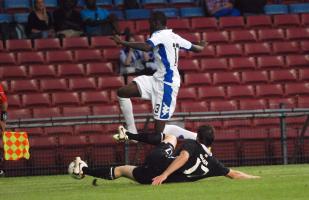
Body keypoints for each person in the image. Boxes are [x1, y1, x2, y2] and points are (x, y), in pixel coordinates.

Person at [111, 11, 205, 139]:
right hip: (156, 79)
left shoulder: (159, 35)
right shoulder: (174, 36)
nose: (149, 27)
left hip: (167, 85)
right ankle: (131, 132)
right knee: (123, 92)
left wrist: (122, 42)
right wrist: (202, 46)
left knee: (158, 135)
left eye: (150, 23)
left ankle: (198, 138)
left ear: (155, 23)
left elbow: (146, 47)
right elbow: (197, 49)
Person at [71, 125, 260, 185]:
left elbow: (184, 157)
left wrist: (165, 174)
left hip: (159, 165)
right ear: (212, 142)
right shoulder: (213, 163)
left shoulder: (193, 145)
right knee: (122, 170)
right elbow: (234, 174)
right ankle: (84, 170)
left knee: (170, 136)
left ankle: (128, 135)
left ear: (198, 137)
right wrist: (255, 178)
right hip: (153, 177)